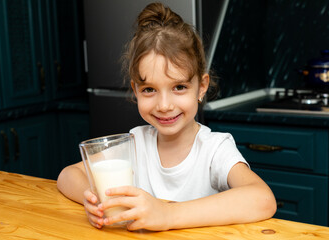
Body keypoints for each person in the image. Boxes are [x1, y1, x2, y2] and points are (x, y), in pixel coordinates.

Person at [57, 2, 277, 231]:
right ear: (135, 90)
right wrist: (94, 199)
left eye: (179, 87)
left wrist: (167, 215)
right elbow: (68, 175)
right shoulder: (134, 143)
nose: (164, 105)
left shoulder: (215, 149)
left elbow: (263, 199)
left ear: (201, 87)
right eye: (149, 90)